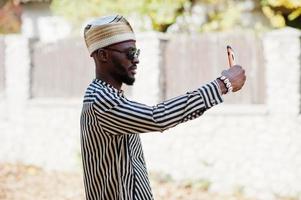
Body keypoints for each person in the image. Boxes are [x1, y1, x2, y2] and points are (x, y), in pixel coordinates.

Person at [80, 15, 246, 200]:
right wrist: (222, 85)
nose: (136, 60)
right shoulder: (101, 100)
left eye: (137, 53)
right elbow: (158, 117)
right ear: (103, 55)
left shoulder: (108, 95)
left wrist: (217, 91)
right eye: (129, 53)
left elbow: (169, 116)